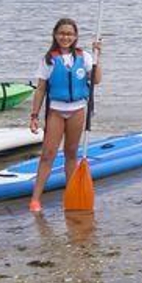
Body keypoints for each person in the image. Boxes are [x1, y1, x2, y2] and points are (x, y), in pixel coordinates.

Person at [27, 18, 102, 212]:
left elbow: (96, 80)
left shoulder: (84, 57)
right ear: (55, 35)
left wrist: (97, 57)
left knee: (71, 153)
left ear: (75, 36)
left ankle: (71, 194)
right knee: (48, 154)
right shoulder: (49, 60)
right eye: (62, 33)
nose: (65, 37)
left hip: (77, 110)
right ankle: (35, 199)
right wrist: (34, 115)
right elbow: (40, 89)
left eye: (69, 34)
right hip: (56, 112)